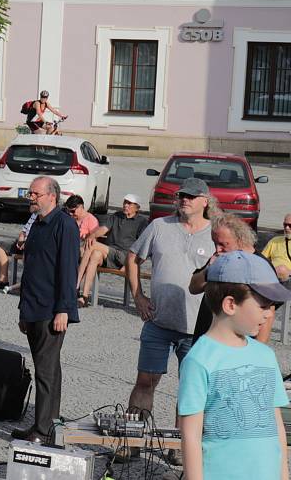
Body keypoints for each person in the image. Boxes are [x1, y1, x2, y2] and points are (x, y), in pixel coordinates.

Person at [122, 178, 217, 463]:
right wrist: (138, 296)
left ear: (205, 201)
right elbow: (132, 258)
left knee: (189, 389)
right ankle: (132, 440)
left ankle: (179, 447)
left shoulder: (216, 234)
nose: (183, 199)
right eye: (180, 195)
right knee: (145, 380)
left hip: (197, 329)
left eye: (190, 196)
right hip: (158, 321)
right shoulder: (159, 226)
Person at [178, 251, 289, 480]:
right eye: (263, 306)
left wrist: (284, 474)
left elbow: (276, 425)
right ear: (230, 304)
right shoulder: (199, 360)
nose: (270, 315)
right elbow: (190, 435)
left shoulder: (265, 355)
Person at [11, 176, 80, 443]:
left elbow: (67, 270)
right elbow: (31, 271)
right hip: (34, 307)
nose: (31, 197)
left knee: (46, 372)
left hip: (52, 311)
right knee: (47, 369)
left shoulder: (64, 225)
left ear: (52, 195)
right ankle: (46, 426)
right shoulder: (37, 224)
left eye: (35, 194)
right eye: (30, 193)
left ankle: (43, 430)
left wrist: (64, 309)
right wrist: (23, 310)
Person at [189, 213, 278, 345]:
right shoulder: (219, 258)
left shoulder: (260, 265)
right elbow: (193, 287)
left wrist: (259, 351)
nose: (217, 249)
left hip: (239, 345)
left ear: (240, 239)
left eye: (223, 244)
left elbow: (268, 312)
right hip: (207, 339)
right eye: (215, 243)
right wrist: (208, 269)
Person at [76, 194, 148, 307]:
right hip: (109, 253)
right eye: (125, 202)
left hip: (124, 256)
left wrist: (134, 264)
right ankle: (84, 297)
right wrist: (93, 235)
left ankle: (75, 286)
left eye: (129, 203)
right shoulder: (116, 216)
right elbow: (103, 230)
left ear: (137, 207)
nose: (125, 205)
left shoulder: (141, 222)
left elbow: (144, 245)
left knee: (92, 245)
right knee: (95, 255)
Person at [0, 210, 37, 290]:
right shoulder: (35, 213)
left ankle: (28, 284)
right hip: (23, 242)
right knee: (1, 246)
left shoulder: (44, 216)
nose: (31, 198)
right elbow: (24, 230)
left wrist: (27, 242)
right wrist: (21, 237)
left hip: (33, 245)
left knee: (29, 252)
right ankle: (3, 281)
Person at [261, 212, 291, 282]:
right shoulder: (275, 240)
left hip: (287, 278)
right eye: (285, 225)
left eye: (290, 225)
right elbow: (261, 259)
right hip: (272, 275)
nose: (287, 228)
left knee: (282, 269)